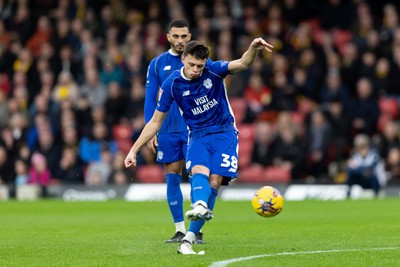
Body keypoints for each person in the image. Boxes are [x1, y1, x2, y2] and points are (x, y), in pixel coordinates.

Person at [125, 38, 273, 254]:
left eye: (200, 66)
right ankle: (200, 207)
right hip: (197, 135)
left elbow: (242, 64)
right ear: (183, 59)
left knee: (215, 181)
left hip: (225, 133)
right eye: (192, 64)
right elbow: (156, 121)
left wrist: (252, 49)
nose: (196, 70)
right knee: (199, 172)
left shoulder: (213, 70)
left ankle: (189, 239)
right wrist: (133, 149)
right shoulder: (172, 84)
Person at [143, 19, 205, 244]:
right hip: (168, 129)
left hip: (194, 128)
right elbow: (151, 99)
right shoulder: (157, 64)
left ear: (190, 37)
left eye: (184, 36)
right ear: (168, 36)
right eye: (176, 36)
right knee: (172, 177)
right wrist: (151, 130)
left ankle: (195, 231)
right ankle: (180, 230)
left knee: (198, 175)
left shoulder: (198, 61)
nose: (180, 40)